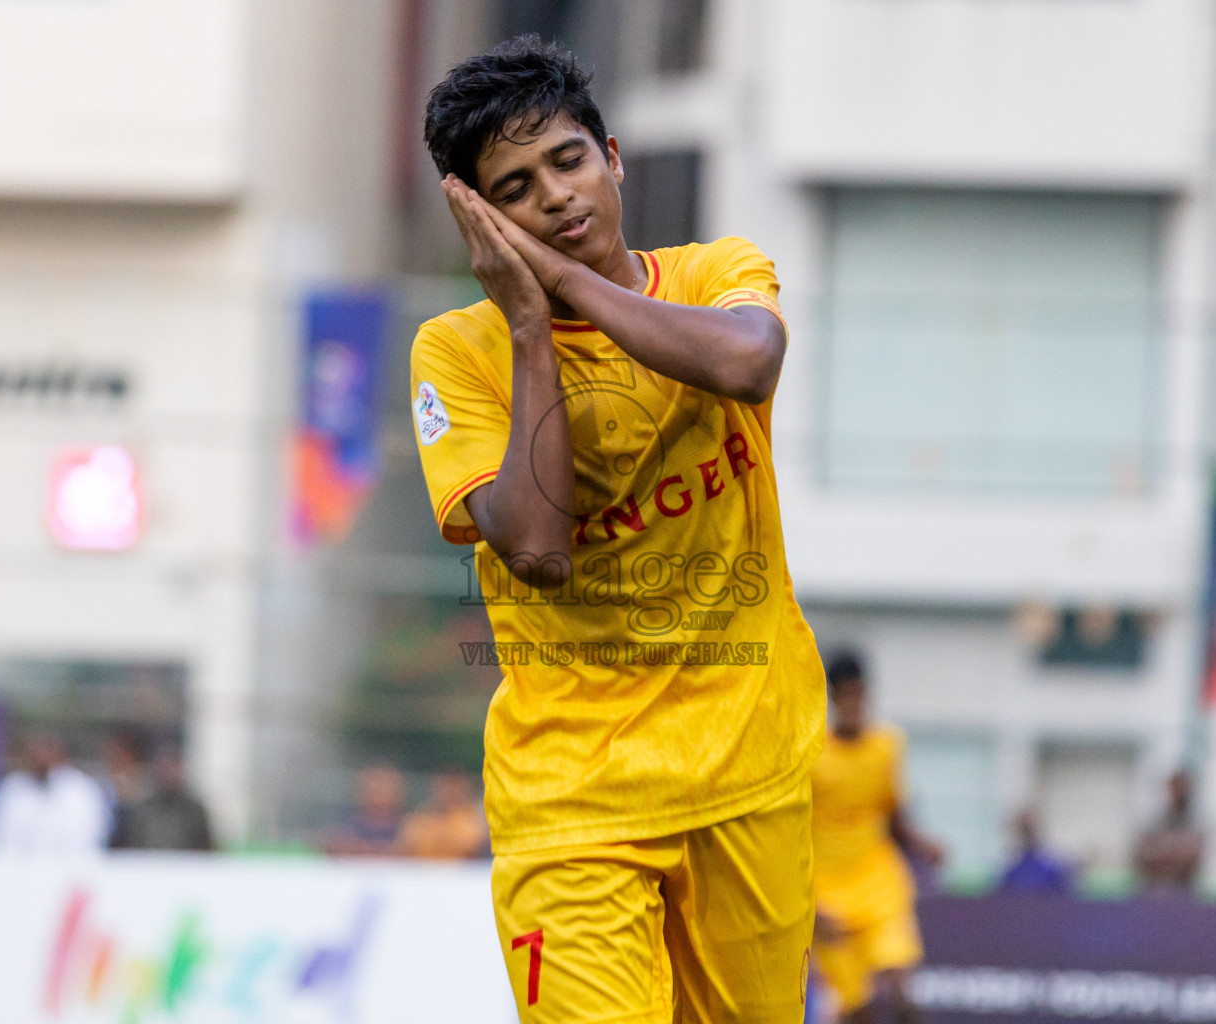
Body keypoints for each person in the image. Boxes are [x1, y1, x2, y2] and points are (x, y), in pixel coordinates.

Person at [412, 36, 825, 1021]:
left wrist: (565, 289)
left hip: (750, 775)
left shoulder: (717, 271)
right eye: (513, 188)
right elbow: (540, 549)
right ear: (480, 219)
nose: (554, 198)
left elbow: (747, 364)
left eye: (567, 160)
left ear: (614, 156)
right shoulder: (457, 351)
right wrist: (528, 325)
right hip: (573, 801)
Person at [811, 653, 943, 1024]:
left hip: (878, 881)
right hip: (828, 895)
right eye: (844, 696)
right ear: (833, 698)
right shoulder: (812, 757)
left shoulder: (887, 746)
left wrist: (922, 844)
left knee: (901, 986)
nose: (853, 704)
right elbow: (790, 843)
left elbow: (893, 817)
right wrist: (810, 908)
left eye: (858, 695)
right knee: (856, 1010)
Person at [0, 731, 110, 855]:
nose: (41, 758)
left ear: (60, 754)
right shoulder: (11, 788)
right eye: (35, 753)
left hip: (69, 869)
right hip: (18, 869)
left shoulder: (82, 790)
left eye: (47, 750)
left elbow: (90, 836)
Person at [111, 745, 215, 852]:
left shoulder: (194, 811)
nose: (169, 772)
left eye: (173, 766)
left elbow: (204, 848)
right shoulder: (141, 810)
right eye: (165, 767)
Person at [1133, 769, 1205, 893]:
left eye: (1182, 788)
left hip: (1185, 892)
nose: (1179, 793)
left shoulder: (1198, 822)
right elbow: (1142, 854)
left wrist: (1167, 853)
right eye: (1175, 788)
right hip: (1152, 891)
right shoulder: (1154, 821)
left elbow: (1194, 856)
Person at [397, 771, 490, 860]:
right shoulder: (422, 817)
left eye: (455, 786)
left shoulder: (472, 818)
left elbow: (472, 845)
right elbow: (409, 843)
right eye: (445, 786)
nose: (450, 792)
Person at [321, 764, 406, 857]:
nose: (379, 792)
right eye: (374, 786)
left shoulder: (410, 829)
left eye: (385, 785)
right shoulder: (346, 827)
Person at [997, 808, 1072, 895]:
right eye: (1023, 831)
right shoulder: (1012, 873)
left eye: (1029, 831)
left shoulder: (1052, 870)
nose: (1026, 837)